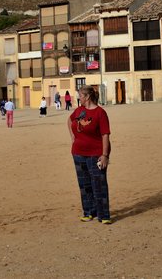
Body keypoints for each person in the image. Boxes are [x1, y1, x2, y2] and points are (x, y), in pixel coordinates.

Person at [68, 85, 112, 224]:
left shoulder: (100, 113)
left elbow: (105, 135)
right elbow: (69, 121)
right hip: (78, 153)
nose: (78, 98)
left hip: (96, 154)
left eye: (80, 96)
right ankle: (88, 212)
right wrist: (73, 137)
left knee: (99, 184)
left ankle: (103, 215)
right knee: (84, 185)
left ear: (87, 97)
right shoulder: (79, 110)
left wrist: (104, 155)